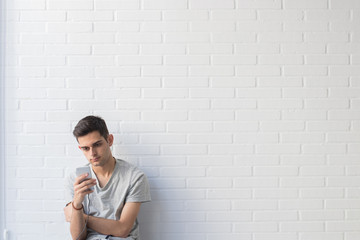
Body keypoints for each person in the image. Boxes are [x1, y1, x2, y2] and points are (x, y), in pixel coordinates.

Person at [64, 115, 151, 240]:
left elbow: (122, 230)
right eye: (85, 148)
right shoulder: (75, 180)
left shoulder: (135, 177)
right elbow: (78, 237)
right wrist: (77, 204)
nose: (92, 153)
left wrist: (79, 216)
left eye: (97, 144)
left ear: (109, 140)